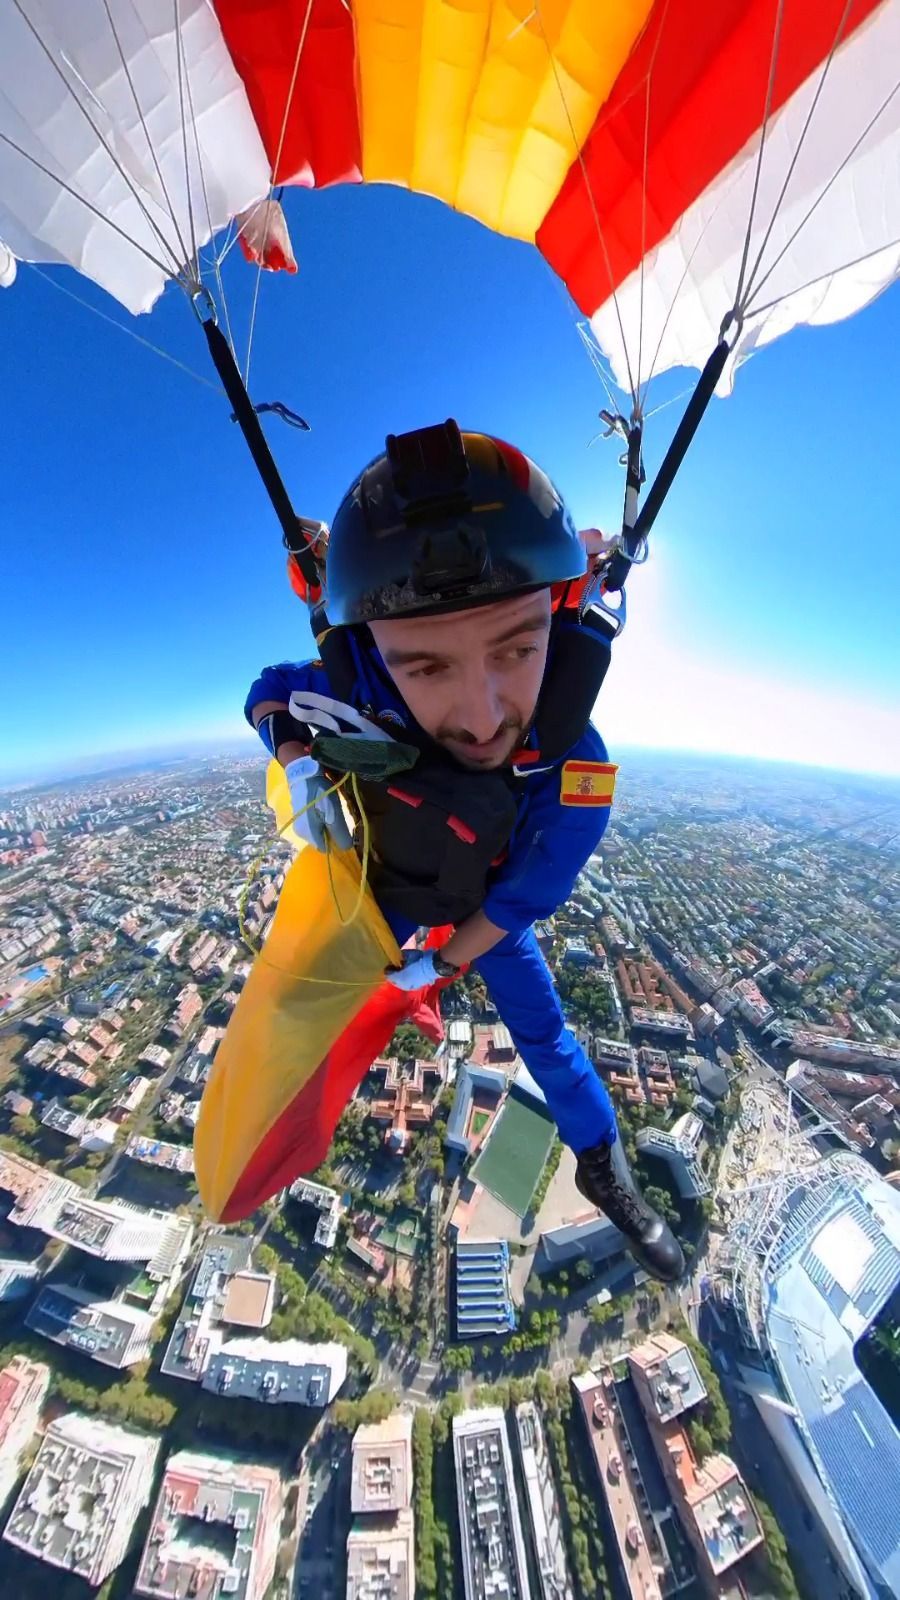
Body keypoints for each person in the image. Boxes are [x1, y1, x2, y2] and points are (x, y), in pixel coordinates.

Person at [245, 420, 684, 1283]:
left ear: (563, 632)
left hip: (482, 911)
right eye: (428, 667)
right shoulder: (358, 681)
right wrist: (293, 759)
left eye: (517, 648)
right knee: (294, 1012)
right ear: (377, 653)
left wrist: (438, 967)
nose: (482, 717)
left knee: (548, 1038)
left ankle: (605, 1170)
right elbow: (270, 695)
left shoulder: (577, 772)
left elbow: (517, 903)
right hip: (389, 891)